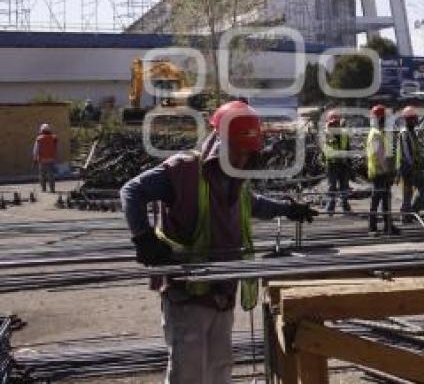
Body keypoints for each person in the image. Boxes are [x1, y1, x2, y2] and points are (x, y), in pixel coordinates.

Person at [119, 100, 316, 384]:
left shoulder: (236, 179)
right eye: (236, 151)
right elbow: (131, 192)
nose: (242, 160)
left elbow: (252, 204)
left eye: (248, 154)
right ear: (218, 144)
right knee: (188, 372)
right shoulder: (183, 170)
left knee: (220, 368)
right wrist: (143, 238)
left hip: (223, 291)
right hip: (186, 295)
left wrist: (288, 209)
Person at [366, 104, 398, 235]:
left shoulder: (375, 133)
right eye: (384, 119)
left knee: (385, 199)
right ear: (380, 119)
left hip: (378, 171)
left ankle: (387, 225)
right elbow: (379, 155)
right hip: (380, 172)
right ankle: (373, 227)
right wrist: (387, 171)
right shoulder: (377, 134)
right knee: (378, 199)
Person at [396, 106, 424, 223]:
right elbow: (406, 152)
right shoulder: (405, 133)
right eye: (414, 119)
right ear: (408, 120)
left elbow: (416, 150)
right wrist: (412, 166)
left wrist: (423, 160)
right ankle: (407, 215)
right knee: (408, 193)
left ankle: (410, 213)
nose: (416, 121)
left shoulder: (412, 132)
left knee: (419, 190)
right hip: (408, 168)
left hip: (414, 167)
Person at [322, 110, 351, 215]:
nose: (335, 125)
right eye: (333, 123)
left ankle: (345, 207)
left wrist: (349, 163)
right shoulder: (326, 134)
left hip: (343, 165)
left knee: (344, 186)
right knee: (332, 187)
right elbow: (325, 150)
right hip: (332, 164)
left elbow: (348, 148)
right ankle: (330, 209)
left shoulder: (344, 134)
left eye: (337, 122)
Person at [33, 123, 58, 193]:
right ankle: (52, 189)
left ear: (42, 130)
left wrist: (35, 159)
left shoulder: (39, 139)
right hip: (51, 159)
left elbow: (36, 150)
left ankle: (43, 189)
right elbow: (55, 148)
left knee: (42, 175)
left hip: (42, 159)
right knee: (51, 174)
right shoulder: (54, 138)